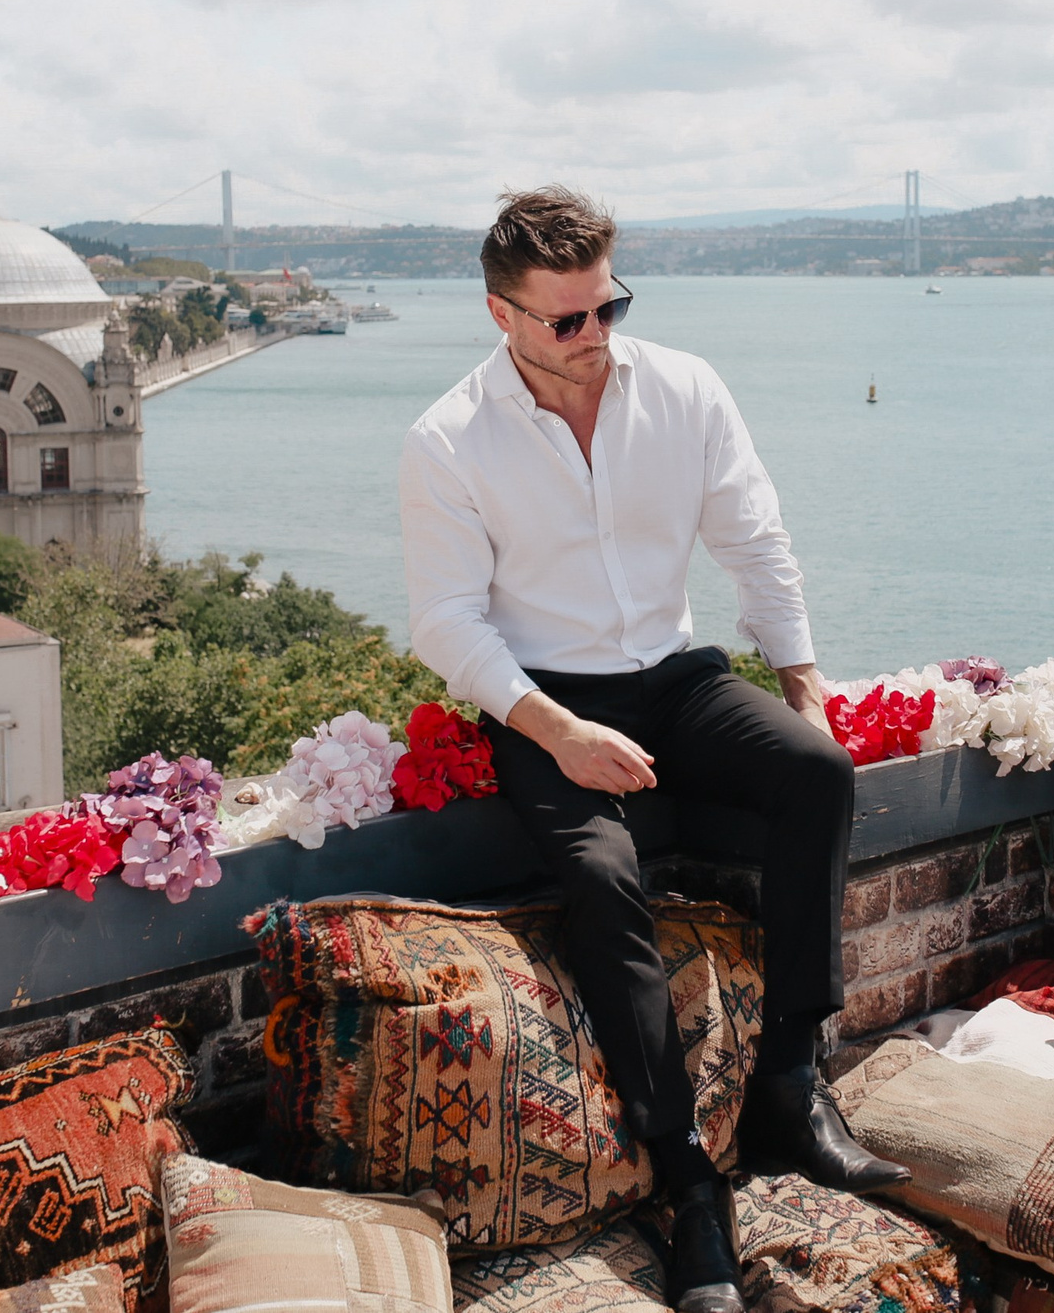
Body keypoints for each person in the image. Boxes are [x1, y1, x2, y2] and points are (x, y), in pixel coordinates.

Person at [400, 187, 905, 1313]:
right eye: (565, 320)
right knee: (600, 876)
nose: (594, 337)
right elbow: (447, 623)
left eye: (606, 307)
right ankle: (687, 1184)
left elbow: (752, 537)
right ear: (502, 315)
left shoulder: (683, 388)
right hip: (548, 699)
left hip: (676, 680)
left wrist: (805, 684)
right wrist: (560, 731)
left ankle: (787, 1082)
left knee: (815, 774)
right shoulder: (446, 439)